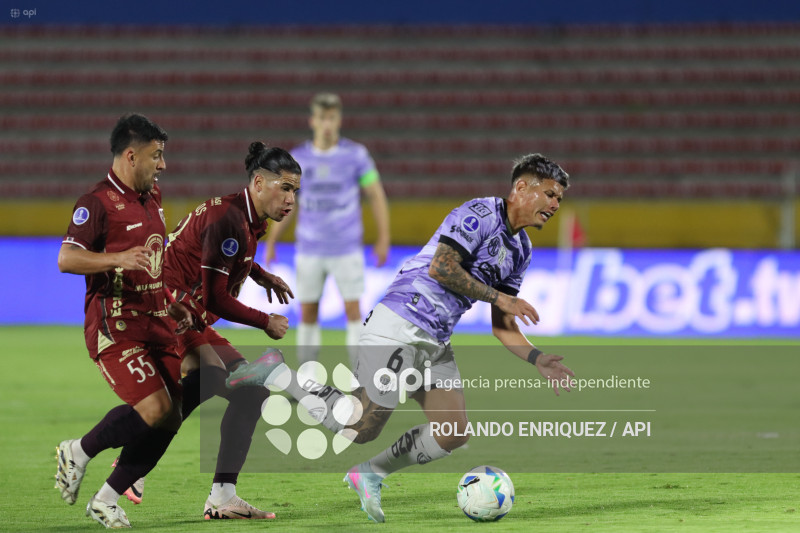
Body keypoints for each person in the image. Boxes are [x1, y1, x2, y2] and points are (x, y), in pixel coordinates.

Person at [228, 153, 576, 523]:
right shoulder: (480, 214)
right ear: (522, 187)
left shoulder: (521, 250)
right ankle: (276, 373)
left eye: (559, 199)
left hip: (435, 338)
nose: (555, 204)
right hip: (403, 319)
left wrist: (536, 357)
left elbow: (503, 325)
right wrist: (500, 296)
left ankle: (370, 474)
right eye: (550, 194)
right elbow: (441, 267)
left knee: (453, 431)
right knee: (359, 427)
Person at [116, 142, 301, 520]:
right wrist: (266, 321)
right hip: (168, 307)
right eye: (285, 187)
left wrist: (260, 274)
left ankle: (222, 496)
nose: (291, 198)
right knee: (210, 376)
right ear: (259, 181)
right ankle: (128, 461)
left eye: (296, 190)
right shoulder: (229, 220)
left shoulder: (248, 218)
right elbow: (217, 298)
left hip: (189, 313)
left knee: (247, 393)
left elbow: (224, 259)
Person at [55, 113, 192, 529]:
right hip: (115, 326)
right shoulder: (95, 203)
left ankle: (106, 498)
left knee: (173, 415)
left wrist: (170, 302)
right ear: (131, 156)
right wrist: (115, 257)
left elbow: (151, 263)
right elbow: (66, 259)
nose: (163, 165)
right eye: (157, 156)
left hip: (156, 322)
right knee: (154, 408)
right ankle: (78, 450)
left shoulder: (153, 197)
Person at [265, 92, 390, 369]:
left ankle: (361, 375)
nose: (327, 124)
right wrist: (272, 239)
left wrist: (383, 237)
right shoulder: (298, 159)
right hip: (309, 248)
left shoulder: (356, 155)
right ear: (313, 121)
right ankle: (309, 376)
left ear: (339, 120)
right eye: (322, 118)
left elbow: (376, 194)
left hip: (346, 247)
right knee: (308, 311)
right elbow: (288, 203)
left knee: (353, 311)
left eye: (332, 118)